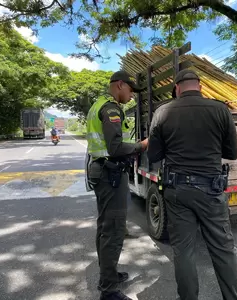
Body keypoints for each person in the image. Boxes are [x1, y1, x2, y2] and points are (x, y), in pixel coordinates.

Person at [147, 69, 237, 300]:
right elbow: (232, 152)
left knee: (184, 252)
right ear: (199, 87)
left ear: (177, 89)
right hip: (211, 190)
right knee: (223, 251)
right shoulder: (220, 110)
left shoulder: (162, 112)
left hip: (177, 191)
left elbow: (153, 155)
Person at [85, 70, 148, 300]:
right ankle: (109, 290)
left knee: (105, 227)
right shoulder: (111, 108)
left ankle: (109, 273)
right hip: (110, 175)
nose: (132, 96)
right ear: (120, 85)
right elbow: (115, 147)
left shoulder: (99, 104)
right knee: (114, 230)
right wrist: (142, 145)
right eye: (131, 90)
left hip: (102, 172)